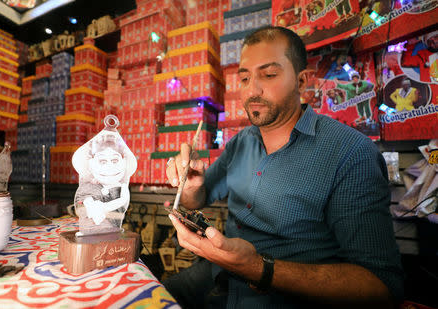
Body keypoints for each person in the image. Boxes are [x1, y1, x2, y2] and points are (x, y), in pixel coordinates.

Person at [165, 26, 403, 308]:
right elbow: (199, 198)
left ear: (301, 81)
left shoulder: (350, 153)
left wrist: (257, 268)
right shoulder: (241, 142)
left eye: (269, 75)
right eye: (244, 77)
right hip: (216, 274)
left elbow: (380, 285)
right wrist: (190, 186)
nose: (252, 89)